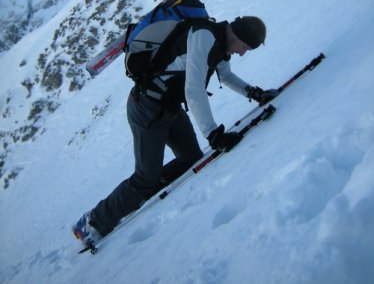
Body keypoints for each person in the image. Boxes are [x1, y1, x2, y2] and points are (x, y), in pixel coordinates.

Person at [73, 16, 279, 246]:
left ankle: (140, 197)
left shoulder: (220, 44)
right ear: (239, 36)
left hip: (168, 107)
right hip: (146, 108)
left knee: (191, 159)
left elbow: (226, 75)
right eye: (245, 47)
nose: (243, 53)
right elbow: (193, 89)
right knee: (145, 176)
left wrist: (255, 93)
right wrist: (213, 134)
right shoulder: (205, 36)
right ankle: (92, 222)